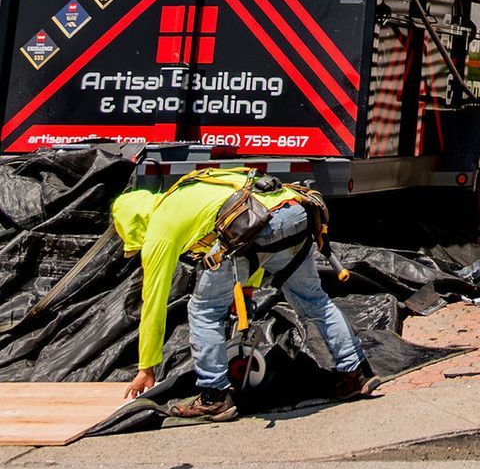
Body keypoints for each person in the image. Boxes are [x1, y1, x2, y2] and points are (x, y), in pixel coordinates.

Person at [112, 169, 373, 424]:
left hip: (256, 229)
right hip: (294, 212)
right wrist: (247, 288)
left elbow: (154, 301)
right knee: (314, 300)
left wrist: (147, 367)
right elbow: (249, 209)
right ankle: (353, 374)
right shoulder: (190, 188)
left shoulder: (160, 227)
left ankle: (213, 397)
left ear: (134, 223)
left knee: (204, 310)